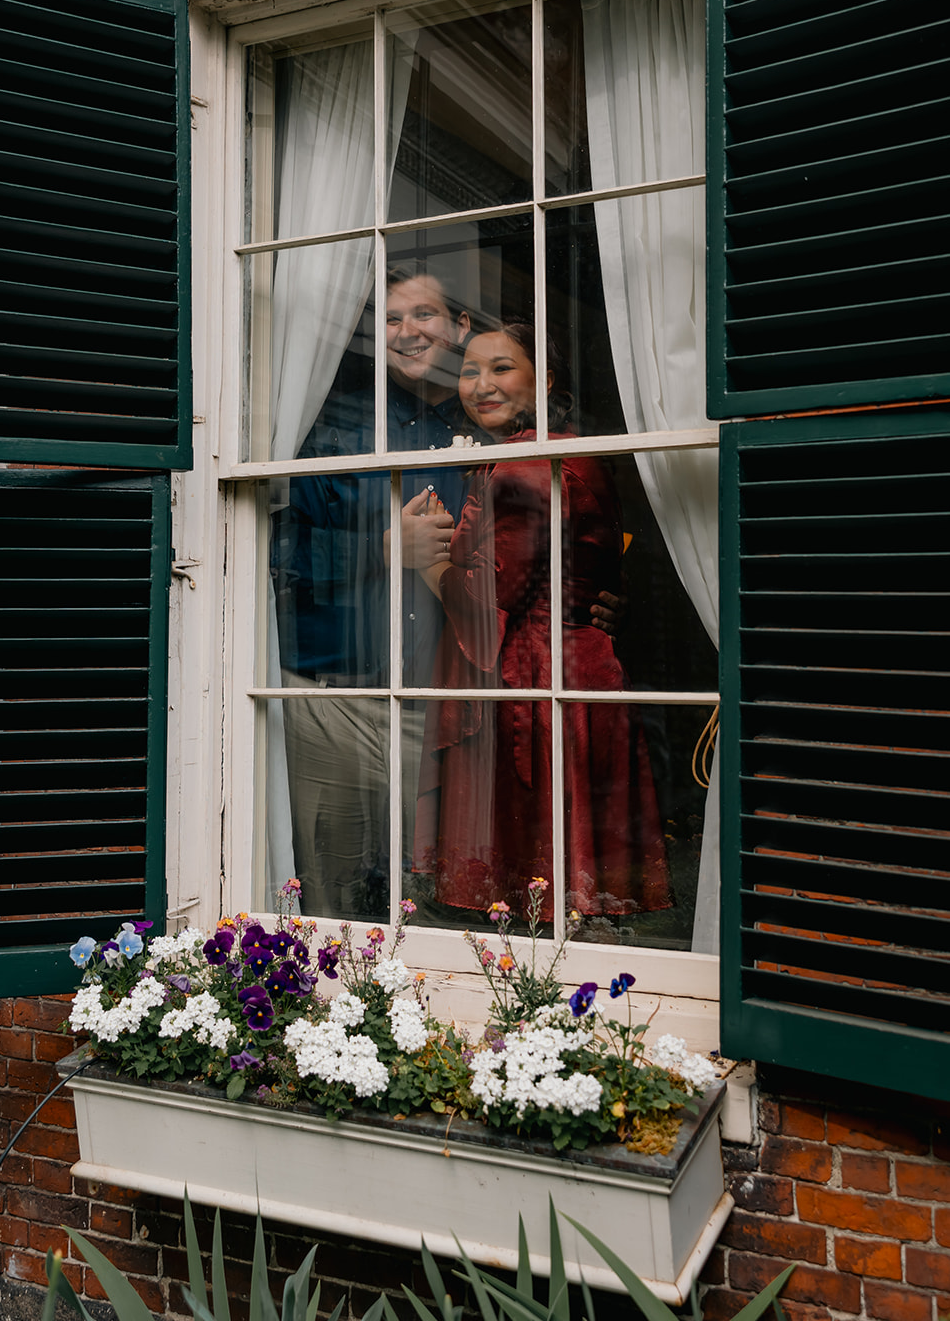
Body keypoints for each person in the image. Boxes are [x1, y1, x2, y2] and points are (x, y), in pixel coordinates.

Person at [411, 322, 671, 920]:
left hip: (540, 679)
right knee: (574, 885)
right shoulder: (568, 451)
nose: (481, 385)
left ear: (544, 380)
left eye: (501, 368)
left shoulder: (528, 466)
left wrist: (422, 561)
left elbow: (487, 601)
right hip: (580, 672)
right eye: (470, 372)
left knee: (540, 889)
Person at [271, 262, 474, 918]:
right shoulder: (326, 427)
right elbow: (277, 554)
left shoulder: (476, 434)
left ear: (460, 327)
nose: (408, 331)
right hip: (332, 693)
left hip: (440, 701)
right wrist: (383, 551)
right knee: (328, 888)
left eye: (424, 315)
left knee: (433, 889)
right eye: (391, 319)